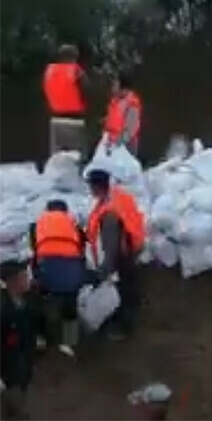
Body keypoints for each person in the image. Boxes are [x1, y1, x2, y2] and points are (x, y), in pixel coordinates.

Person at [85, 169, 146, 339]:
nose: (90, 190)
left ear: (97, 187)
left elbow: (110, 248)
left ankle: (124, 330)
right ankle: (128, 322)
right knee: (130, 289)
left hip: (121, 257)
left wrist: (104, 272)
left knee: (122, 293)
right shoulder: (117, 198)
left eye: (91, 185)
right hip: (131, 250)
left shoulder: (109, 215)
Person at [28, 199, 86, 357]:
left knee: (36, 299)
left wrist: (36, 274)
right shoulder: (74, 224)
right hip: (71, 268)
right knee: (70, 300)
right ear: (65, 212)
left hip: (47, 267)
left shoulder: (37, 224)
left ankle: (41, 337)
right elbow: (81, 248)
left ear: (47, 211)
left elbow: (35, 249)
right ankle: (70, 341)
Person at [1, 260, 37, 421]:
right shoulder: (3, 311)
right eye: (24, 276)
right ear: (12, 282)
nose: (28, 279)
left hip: (22, 369)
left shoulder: (26, 303)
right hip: (7, 375)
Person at [43, 44, 88, 157]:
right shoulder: (76, 70)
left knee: (58, 148)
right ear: (74, 57)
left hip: (55, 114)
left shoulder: (50, 70)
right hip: (75, 115)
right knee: (77, 149)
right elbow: (87, 89)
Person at [104, 72, 142, 157]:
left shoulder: (132, 103)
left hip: (124, 147)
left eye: (115, 83)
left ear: (123, 86)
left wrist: (118, 143)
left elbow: (131, 129)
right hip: (111, 144)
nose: (113, 86)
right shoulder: (115, 100)